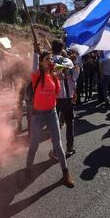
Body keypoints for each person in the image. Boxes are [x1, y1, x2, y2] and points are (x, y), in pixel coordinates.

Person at [25, 49, 74, 187]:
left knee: (58, 144)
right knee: (34, 144)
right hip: (38, 115)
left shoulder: (53, 77)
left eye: (51, 58)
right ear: (41, 62)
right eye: (46, 59)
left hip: (51, 113)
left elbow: (56, 94)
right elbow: (34, 66)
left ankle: (66, 173)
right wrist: (35, 52)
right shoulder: (36, 76)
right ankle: (28, 169)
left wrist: (61, 77)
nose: (50, 61)